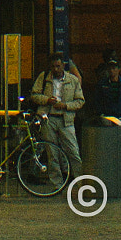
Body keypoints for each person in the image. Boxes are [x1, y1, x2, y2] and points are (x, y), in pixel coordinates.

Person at [32, 53, 85, 181]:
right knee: (52, 153)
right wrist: (46, 100)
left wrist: (65, 105)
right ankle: (57, 183)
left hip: (66, 119)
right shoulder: (44, 77)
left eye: (58, 66)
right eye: (53, 67)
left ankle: (80, 181)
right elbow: (34, 95)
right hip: (48, 118)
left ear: (63, 66)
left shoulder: (72, 80)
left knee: (73, 152)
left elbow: (80, 101)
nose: (56, 69)